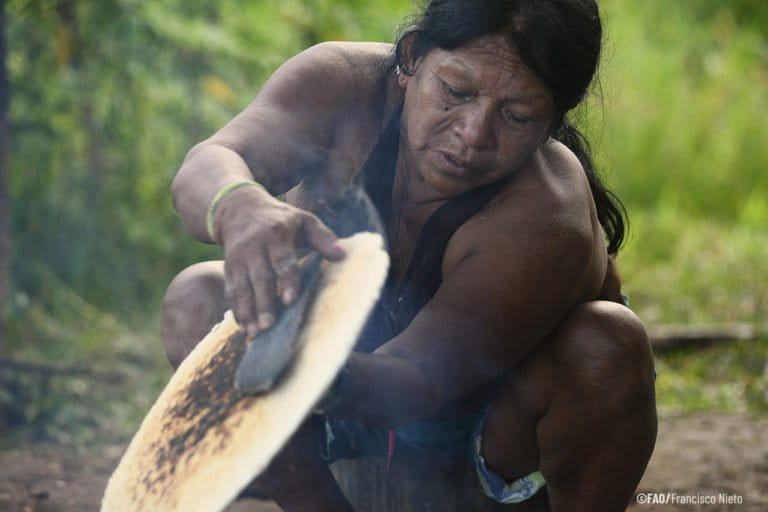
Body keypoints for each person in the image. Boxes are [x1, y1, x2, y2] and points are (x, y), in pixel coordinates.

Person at [161, 0, 658, 510]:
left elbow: (416, 380)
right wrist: (239, 205)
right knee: (197, 300)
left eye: (516, 116)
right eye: (456, 92)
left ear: (553, 118)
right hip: (347, 400)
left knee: (607, 346)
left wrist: (299, 370)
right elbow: (210, 163)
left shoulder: (548, 215)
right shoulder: (341, 87)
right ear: (412, 56)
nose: (472, 134)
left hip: (485, 437)